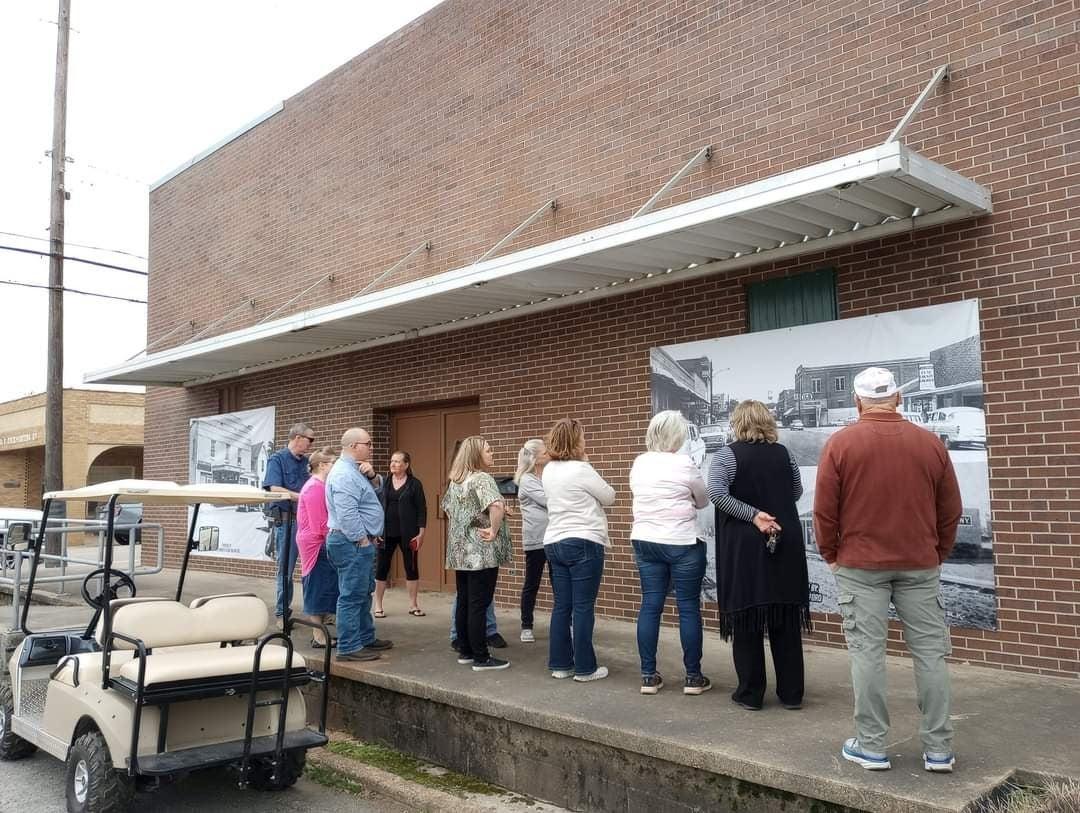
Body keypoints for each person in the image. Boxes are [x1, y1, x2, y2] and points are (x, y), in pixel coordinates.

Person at [814, 367, 962, 773]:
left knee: (867, 654)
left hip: (860, 564)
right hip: (919, 562)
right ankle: (939, 749)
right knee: (931, 655)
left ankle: (873, 745)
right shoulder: (930, 443)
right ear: (897, 398)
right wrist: (938, 551)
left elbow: (824, 511)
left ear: (858, 402)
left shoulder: (841, 444)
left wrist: (830, 553)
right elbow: (951, 510)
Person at [709, 400, 810, 711]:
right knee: (785, 615)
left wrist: (752, 514)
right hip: (785, 539)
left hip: (746, 546)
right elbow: (795, 492)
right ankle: (792, 694)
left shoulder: (727, 455)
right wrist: (768, 505)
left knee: (748, 614)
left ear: (737, 423)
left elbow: (716, 494)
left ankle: (751, 693)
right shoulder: (785, 454)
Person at [630, 411, 710, 696]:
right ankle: (693, 677)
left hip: (645, 540)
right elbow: (702, 500)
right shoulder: (684, 463)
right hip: (682, 541)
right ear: (677, 436)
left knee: (650, 605)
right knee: (688, 607)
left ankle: (648, 676)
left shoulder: (639, 463)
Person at [542, 418, 616, 682]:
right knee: (583, 607)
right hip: (584, 539)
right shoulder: (582, 469)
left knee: (562, 605)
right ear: (576, 441)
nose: (586, 440)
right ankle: (585, 668)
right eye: (582, 436)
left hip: (554, 541)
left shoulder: (548, 470)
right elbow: (609, 496)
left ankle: (560, 665)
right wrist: (587, 463)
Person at [443, 436, 513, 671]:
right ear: (476, 455)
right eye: (488, 451)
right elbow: (494, 505)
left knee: (464, 601)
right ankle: (481, 657)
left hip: (461, 551)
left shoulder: (456, 480)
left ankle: (466, 651)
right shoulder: (482, 478)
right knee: (479, 604)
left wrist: (496, 512)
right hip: (481, 552)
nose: (492, 454)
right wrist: (494, 529)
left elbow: (459, 514)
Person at [325, 427, 394, 662]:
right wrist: (363, 539)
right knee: (352, 595)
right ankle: (349, 646)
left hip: (357, 542)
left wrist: (371, 534)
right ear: (354, 446)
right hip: (351, 542)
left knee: (363, 593)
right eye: (368, 443)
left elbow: (372, 493)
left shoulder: (353, 470)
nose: (372, 447)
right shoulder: (344, 474)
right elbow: (347, 513)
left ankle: (365, 637)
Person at [262, 423, 316, 626]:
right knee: (286, 569)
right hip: (288, 521)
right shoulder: (277, 459)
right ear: (298, 437)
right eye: (310, 439)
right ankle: (281, 613)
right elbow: (274, 488)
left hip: (308, 521)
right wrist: (303, 497)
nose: (311, 444)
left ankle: (317, 612)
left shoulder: (307, 462)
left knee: (315, 567)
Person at [374, 451, 427, 618]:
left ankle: (413, 604)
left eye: (397, 462)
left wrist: (421, 533)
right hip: (386, 533)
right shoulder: (385, 483)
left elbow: (421, 510)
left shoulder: (415, 484)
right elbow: (375, 507)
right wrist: (376, 530)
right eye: (392, 461)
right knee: (381, 568)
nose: (393, 464)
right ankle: (378, 605)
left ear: (406, 465)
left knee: (411, 568)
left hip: (409, 534)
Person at [296, 447, 339, 648]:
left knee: (323, 585)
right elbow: (319, 523)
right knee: (316, 586)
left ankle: (320, 634)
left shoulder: (319, 485)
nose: (335, 466)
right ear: (322, 465)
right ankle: (318, 636)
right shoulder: (314, 487)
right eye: (333, 463)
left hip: (318, 541)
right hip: (315, 543)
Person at [514, 439, 549, 643]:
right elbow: (549, 500)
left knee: (558, 582)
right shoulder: (527, 480)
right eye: (545, 452)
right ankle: (526, 626)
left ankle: (567, 623)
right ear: (535, 458)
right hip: (536, 538)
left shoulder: (545, 475)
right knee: (532, 583)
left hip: (553, 536)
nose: (549, 454)